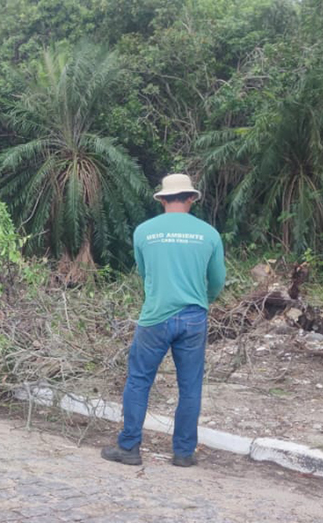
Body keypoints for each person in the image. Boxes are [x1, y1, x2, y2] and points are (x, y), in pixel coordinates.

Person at [101, 174, 225, 468]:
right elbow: (218, 281)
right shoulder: (208, 234)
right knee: (190, 387)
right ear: (191, 198)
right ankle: (183, 453)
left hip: (155, 317)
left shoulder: (144, 232)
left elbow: (145, 275)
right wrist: (200, 297)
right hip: (194, 318)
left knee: (139, 381)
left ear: (162, 199)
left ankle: (129, 448)